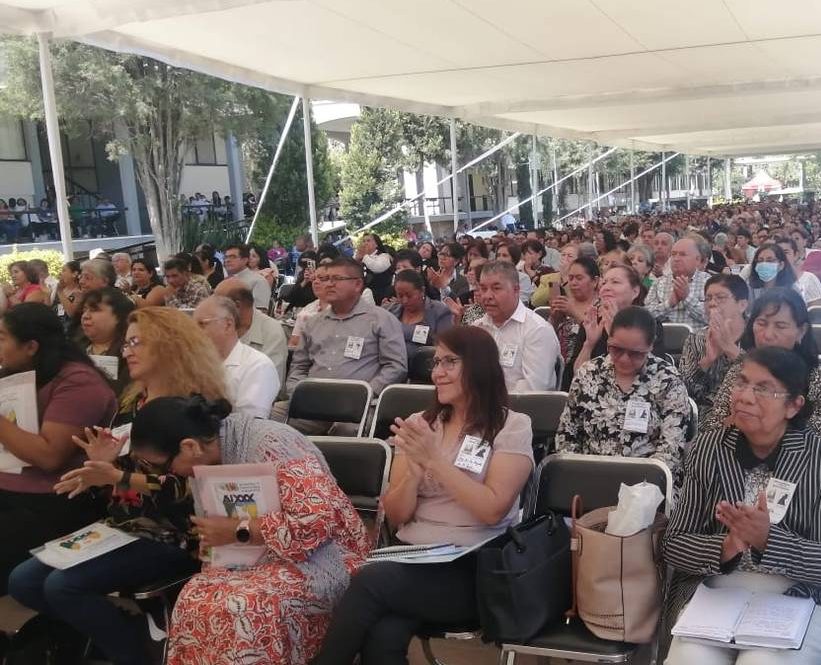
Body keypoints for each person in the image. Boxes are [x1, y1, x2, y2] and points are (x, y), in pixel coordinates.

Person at [312, 326, 534, 664]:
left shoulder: (511, 426)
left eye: (449, 362)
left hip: (471, 568)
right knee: (383, 637)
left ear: (479, 365)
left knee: (372, 580)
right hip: (412, 557)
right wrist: (413, 479)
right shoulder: (421, 424)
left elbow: (492, 510)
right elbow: (398, 515)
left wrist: (434, 461)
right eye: (435, 362)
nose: (437, 372)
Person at [127, 395, 369, 665]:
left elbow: (314, 527)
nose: (166, 474)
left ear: (190, 446)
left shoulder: (274, 444)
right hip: (259, 556)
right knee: (193, 597)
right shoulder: (209, 459)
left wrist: (238, 532)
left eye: (163, 466)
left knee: (246, 606)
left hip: (326, 554)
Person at [663, 347, 821, 665]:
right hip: (719, 590)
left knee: (760, 662)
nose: (745, 397)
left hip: (804, 593)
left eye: (764, 389)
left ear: (794, 406)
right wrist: (725, 546)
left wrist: (768, 540)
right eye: (741, 383)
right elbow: (673, 543)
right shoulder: (710, 448)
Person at [10, 424, 197, 665]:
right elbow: (115, 485)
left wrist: (117, 475)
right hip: (121, 525)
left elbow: (178, 488)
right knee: (23, 581)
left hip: (168, 534)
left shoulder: (179, 415)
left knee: (62, 587)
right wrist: (104, 468)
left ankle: (133, 656)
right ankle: (111, 633)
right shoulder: (132, 403)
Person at [0, 304, 118, 595]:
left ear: (30, 346)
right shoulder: (22, 372)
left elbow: (49, 456)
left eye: (1, 337)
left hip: (51, 502)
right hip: (12, 492)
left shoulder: (78, 381)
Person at [556, 306, 690, 485]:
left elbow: (671, 449)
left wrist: (640, 487)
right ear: (608, 341)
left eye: (635, 354)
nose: (624, 359)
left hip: (646, 486)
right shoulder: (587, 374)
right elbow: (567, 434)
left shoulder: (668, 379)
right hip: (588, 479)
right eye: (616, 349)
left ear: (650, 347)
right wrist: (580, 476)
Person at [701, 289, 821, 444]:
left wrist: (773, 418)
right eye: (761, 324)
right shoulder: (741, 371)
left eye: (781, 326)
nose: (768, 334)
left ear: (801, 332)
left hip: (804, 462)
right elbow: (712, 428)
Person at [279, 257, 408, 434]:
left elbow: (395, 367)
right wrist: (298, 394)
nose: (329, 284)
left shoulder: (381, 320)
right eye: (325, 279)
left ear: (357, 285)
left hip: (357, 405)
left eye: (337, 279)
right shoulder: (313, 322)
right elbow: (299, 367)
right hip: (313, 403)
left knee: (346, 430)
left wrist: (366, 393)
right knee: (268, 417)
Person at [116, 306, 231, 428]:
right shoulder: (130, 402)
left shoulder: (197, 410)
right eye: (126, 345)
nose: (126, 353)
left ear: (168, 345)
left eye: (134, 342)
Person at [471, 260, 560, 391]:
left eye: (496, 288)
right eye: (483, 289)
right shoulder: (477, 328)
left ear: (516, 290)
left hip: (521, 409)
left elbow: (535, 389)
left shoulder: (537, 330)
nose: (487, 296)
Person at [194, 296, 280, 418]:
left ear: (228, 324)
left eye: (202, 324)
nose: (195, 331)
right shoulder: (196, 362)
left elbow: (247, 424)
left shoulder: (258, 366)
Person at [680, 274, 751, 415]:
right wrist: (707, 361)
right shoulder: (696, 339)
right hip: (703, 415)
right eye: (708, 298)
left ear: (742, 305)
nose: (712, 303)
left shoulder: (756, 335)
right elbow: (682, 392)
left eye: (721, 298)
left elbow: (761, 382)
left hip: (744, 411)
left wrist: (731, 351)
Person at [214, 278, 288, 385]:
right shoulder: (216, 326)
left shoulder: (271, 331)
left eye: (218, 303)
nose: (214, 308)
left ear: (236, 306)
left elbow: (267, 383)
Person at [386, 268, 454, 364]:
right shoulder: (389, 311)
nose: (404, 300)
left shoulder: (440, 311)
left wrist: (395, 330)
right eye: (400, 296)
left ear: (422, 291)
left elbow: (443, 345)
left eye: (409, 295)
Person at [644, 235, 713, 328]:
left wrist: (687, 297)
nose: (676, 259)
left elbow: (713, 317)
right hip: (663, 339)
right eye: (673, 254)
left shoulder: (709, 282)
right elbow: (646, 317)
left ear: (697, 259)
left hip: (697, 339)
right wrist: (669, 304)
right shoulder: (658, 282)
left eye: (683, 254)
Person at [80, 287, 134, 395]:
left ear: (118, 317)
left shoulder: (130, 353)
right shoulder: (73, 348)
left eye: (94, 310)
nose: (85, 316)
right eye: (84, 310)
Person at [549, 256, 601, 362]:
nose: (573, 283)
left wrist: (573, 312)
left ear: (595, 281)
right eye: (571, 278)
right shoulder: (564, 302)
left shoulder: (601, 307)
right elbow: (546, 336)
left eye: (579, 278)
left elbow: (599, 339)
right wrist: (555, 319)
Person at [773, 236, 821, 306]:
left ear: (796, 255)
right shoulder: (770, 280)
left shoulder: (809, 278)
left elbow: (816, 312)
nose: (781, 256)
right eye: (778, 253)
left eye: (786, 252)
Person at [223, 243, 271, 310]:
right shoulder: (226, 281)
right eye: (226, 257)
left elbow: (261, 312)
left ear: (245, 260)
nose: (227, 260)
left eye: (233, 257)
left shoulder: (258, 281)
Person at [355, 232, 395, 303]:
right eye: (363, 241)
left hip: (382, 296)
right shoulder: (359, 257)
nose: (365, 243)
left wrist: (364, 256)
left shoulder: (384, 256)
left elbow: (377, 268)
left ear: (376, 244)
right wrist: (356, 260)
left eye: (368, 241)